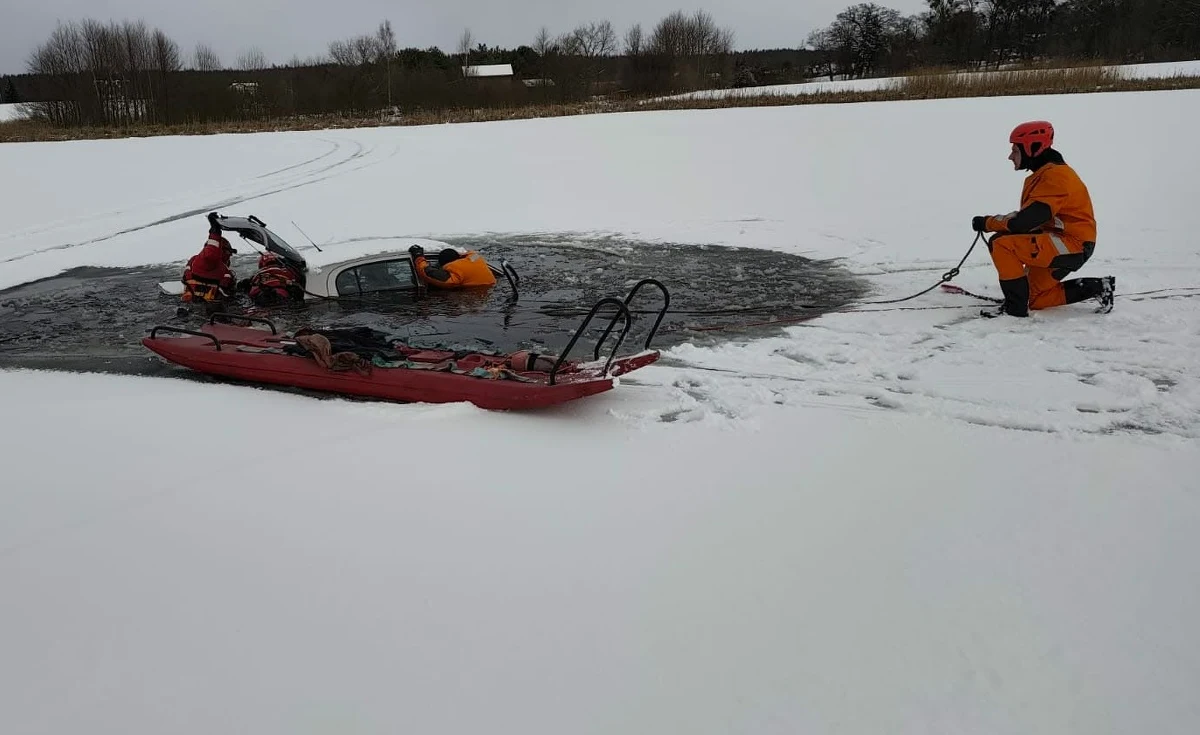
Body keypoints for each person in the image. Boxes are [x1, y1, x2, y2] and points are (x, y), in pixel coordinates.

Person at [972, 120, 1115, 317]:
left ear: (1033, 148)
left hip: (1071, 244)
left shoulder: (1055, 177)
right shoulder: (1046, 173)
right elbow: (1028, 220)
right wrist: (992, 222)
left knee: (1001, 243)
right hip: (1063, 241)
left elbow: (1024, 222)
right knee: (1035, 299)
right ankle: (1098, 287)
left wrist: (987, 223)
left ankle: (1015, 310)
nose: (1010, 156)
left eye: (1015, 150)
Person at [181, 213, 237, 303]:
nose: (229, 256)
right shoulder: (209, 262)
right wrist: (215, 231)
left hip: (208, 305)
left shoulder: (219, 268)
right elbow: (211, 253)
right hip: (207, 308)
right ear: (221, 251)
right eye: (228, 252)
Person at [408, 244, 497, 289]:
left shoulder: (455, 274)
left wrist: (419, 257)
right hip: (491, 290)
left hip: (474, 294)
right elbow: (471, 253)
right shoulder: (475, 258)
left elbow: (426, 272)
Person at [239, 252, 304, 306]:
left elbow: (250, 283)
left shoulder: (258, 273)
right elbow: (297, 280)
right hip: (280, 293)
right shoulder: (285, 271)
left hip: (261, 294)